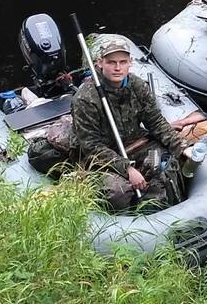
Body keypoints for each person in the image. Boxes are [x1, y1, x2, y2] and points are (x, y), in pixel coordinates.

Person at [70, 34, 193, 210]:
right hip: (101, 159)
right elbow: (91, 147)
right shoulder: (85, 99)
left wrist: (181, 146)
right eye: (111, 62)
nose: (117, 67)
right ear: (99, 63)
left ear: (130, 62)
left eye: (122, 62)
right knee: (117, 193)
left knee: (162, 165)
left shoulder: (138, 86)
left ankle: (157, 209)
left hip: (135, 145)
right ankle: (130, 220)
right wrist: (127, 169)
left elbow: (155, 122)